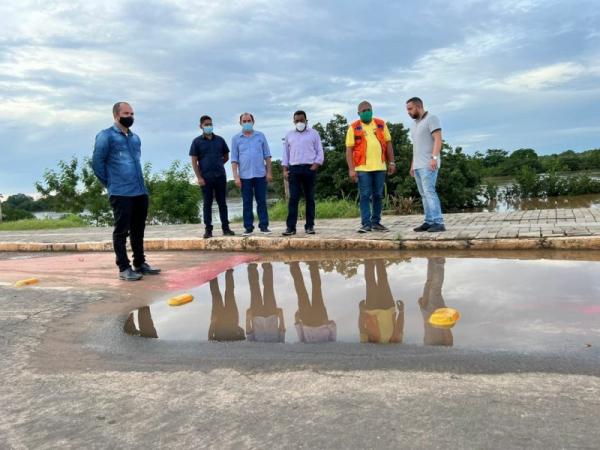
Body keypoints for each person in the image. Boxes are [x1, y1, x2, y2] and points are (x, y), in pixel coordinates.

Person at [92, 102, 161, 281]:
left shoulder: (135, 138)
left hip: (139, 190)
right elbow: (97, 163)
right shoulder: (105, 136)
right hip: (120, 192)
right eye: (126, 113)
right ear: (116, 115)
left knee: (139, 230)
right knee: (121, 231)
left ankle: (140, 263)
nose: (130, 116)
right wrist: (110, 184)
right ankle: (124, 268)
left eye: (132, 113)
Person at [346, 101, 396, 233]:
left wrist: (392, 162)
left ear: (372, 110)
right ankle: (366, 224)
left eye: (368, 110)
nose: (366, 112)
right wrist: (351, 169)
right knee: (364, 196)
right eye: (363, 111)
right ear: (358, 113)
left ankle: (376, 222)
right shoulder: (353, 127)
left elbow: (388, 143)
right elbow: (349, 150)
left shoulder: (381, 124)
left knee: (378, 195)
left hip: (380, 167)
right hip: (362, 168)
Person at [189, 115, 235, 239]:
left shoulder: (220, 140)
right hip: (205, 178)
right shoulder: (196, 142)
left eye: (210, 124)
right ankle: (208, 230)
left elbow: (226, 156)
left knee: (222, 203)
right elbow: (194, 161)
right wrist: (199, 177)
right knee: (207, 204)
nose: (209, 126)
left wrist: (218, 164)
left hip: (220, 176)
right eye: (206, 124)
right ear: (201, 126)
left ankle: (226, 228)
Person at [282, 111, 324, 236]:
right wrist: (285, 170)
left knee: (310, 198)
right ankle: (291, 228)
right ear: (293, 121)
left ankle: (309, 226)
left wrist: (315, 165)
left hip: (309, 169)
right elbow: (285, 154)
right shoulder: (289, 135)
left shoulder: (314, 133)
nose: (299, 122)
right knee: (293, 198)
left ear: (306, 120)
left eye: (302, 120)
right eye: (297, 120)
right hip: (294, 170)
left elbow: (319, 151)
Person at [406, 97, 446, 232]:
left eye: (410, 109)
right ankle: (429, 221)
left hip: (428, 164)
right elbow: (415, 147)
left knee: (429, 192)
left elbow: (438, 139)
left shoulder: (432, 118)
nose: (408, 112)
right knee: (423, 194)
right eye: (407, 110)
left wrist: (434, 158)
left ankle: (438, 222)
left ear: (418, 106)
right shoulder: (414, 125)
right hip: (418, 165)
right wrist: (412, 165)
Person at [231, 112, 272, 236]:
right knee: (247, 203)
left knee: (262, 202)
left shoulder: (260, 136)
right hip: (244, 176)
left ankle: (264, 226)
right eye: (244, 121)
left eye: (249, 121)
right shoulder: (236, 139)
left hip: (260, 174)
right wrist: (236, 177)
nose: (247, 123)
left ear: (253, 122)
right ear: (240, 123)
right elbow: (234, 159)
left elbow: (267, 156)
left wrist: (269, 172)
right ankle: (248, 227)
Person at [358, 259, 404, 344]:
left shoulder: (368, 345)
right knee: (383, 279)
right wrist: (401, 312)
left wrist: (361, 312)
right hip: (389, 308)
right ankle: (379, 257)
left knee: (370, 280)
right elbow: (399, 329)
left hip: (373, 310)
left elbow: (362, 330)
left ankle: (368, 258)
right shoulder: (396, 344)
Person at [290, 261, 336, 343]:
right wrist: (329, 324)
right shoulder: (328, 351)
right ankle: (313, 264)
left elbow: (301, 340)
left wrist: (297, 321)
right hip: (321, 318)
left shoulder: (307, 352)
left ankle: (294, 264)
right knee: (316, 289)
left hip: (306, 321)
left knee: (301, 292)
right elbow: (333, 339)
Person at [245, 263, 286, 343]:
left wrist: (247, 318)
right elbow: (282, 332)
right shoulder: (278, 348)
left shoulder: (256, 349)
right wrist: (281, 317)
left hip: (257, 316)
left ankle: (252, 267)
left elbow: (249, 335)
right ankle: (267, 266)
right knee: (269, 288)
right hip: (272, 315)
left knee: (254, 289)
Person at [419, 257, 453, 346]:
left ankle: (431, 259)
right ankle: (440, 262)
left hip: (427, 313)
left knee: (428, 284)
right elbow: (449, 339)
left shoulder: (428, 347)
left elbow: (427, 330)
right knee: (435, 289)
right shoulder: (446, 348)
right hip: (437, 314)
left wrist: (422, 307)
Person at [208, 269, 245, 342]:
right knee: (228, 293)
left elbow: (210, 337)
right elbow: (242, 334)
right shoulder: (235, 341)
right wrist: (235, 327)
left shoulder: (219, 342)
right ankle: (228, 272)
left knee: (217, 296)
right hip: (231, 317)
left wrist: (213, 323)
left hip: (219, 320)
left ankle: (213, 274)